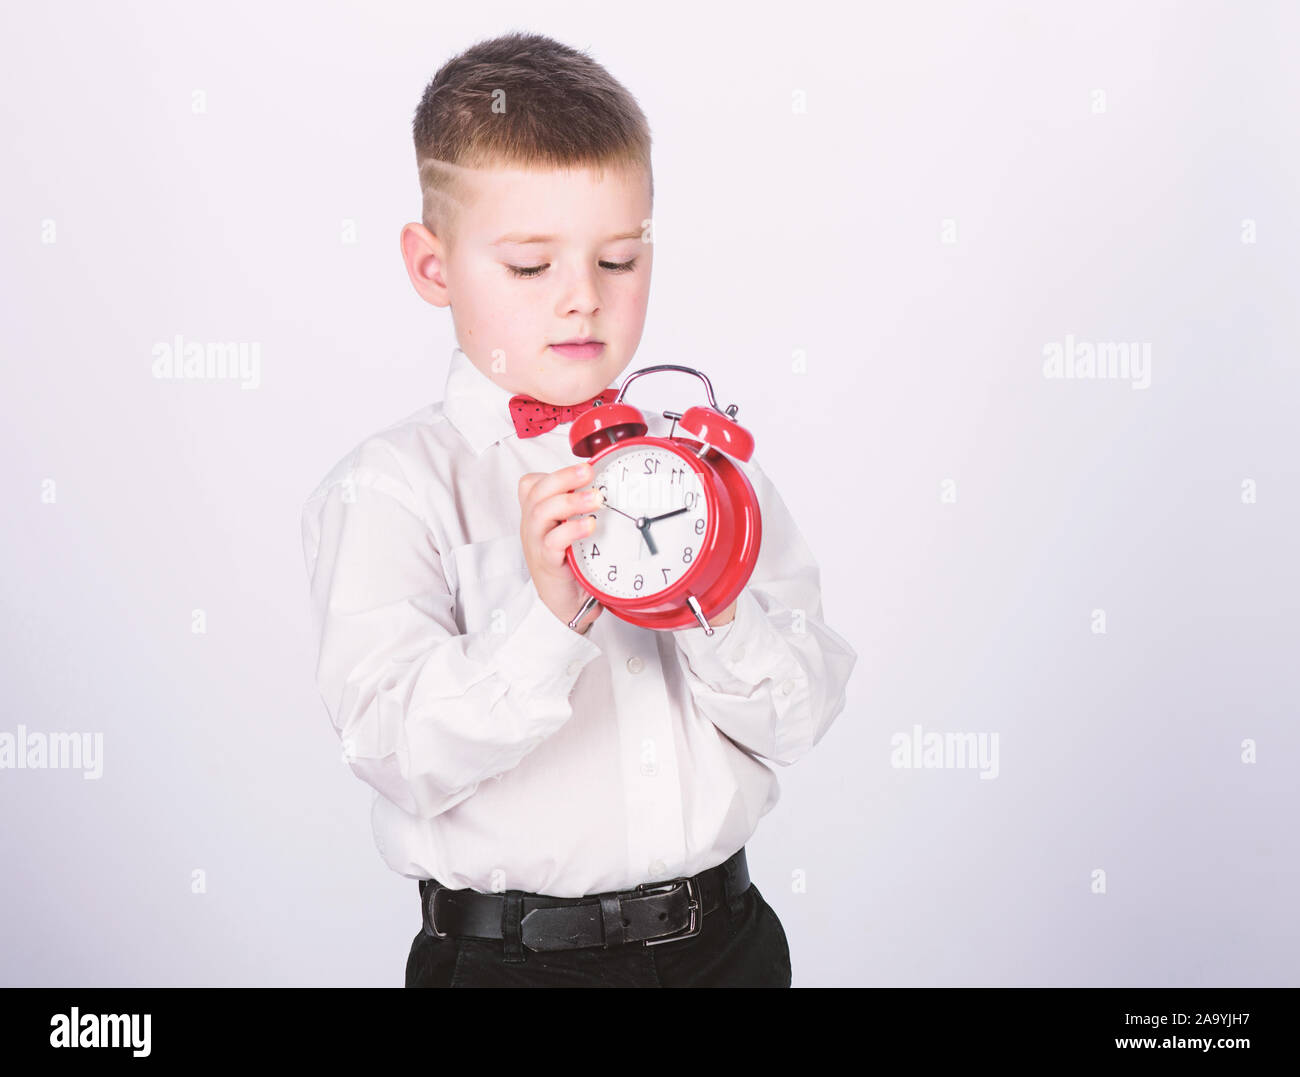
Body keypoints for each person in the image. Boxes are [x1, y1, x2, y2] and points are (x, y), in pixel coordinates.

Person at [299, 30, 857, 988]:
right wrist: (546, 619)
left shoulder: (707, 466)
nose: (581, 302)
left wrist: (710, 594)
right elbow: (397, 750)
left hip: (726, 945)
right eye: (528, 267)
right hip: (511, 963)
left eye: (618, 260)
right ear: (433, 266)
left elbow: (799, 717)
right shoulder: (391, 488)